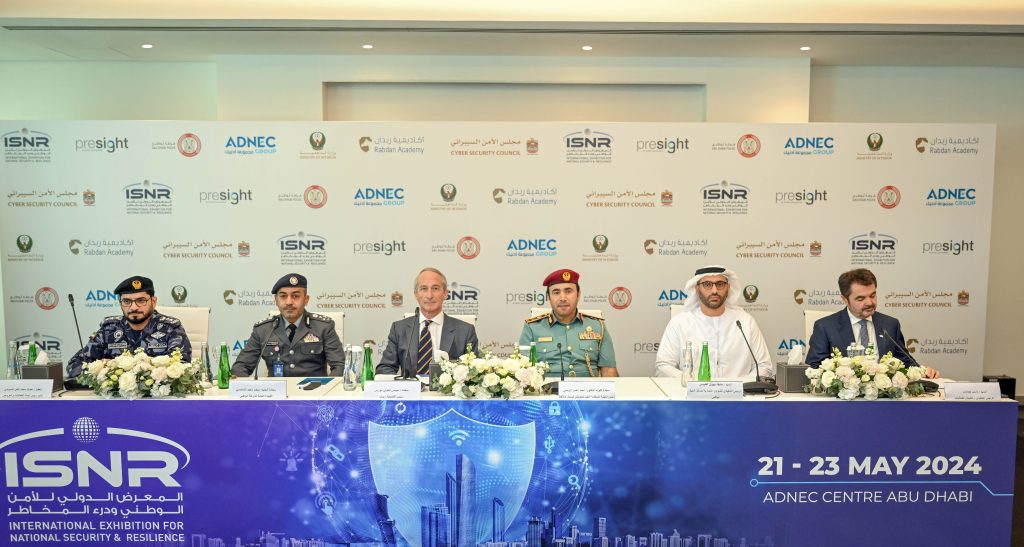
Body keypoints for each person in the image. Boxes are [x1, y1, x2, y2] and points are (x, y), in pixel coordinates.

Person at [805, 268, 939, 377]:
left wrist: (922, 371)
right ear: (845, 299)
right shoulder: (826, 327)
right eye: (860, 298)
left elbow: (905, 362)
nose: (869, 302)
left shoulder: (890, 324)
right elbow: (813, 368)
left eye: (873, 295)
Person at [654, 265, 772, 380]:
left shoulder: (745, 322)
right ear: (697, 288)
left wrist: (739, 385)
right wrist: (691, 382)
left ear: (728, 287)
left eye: (720, 284)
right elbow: (663, 366)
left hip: (739, 392)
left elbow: (764, 366)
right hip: (692, 392)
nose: (714, 291)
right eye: (707, 285)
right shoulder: (680, 323)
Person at [67, 276, 191, 378]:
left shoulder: (170, 328)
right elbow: (75, 365)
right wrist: (104, 367)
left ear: (153, 302)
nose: (133, 307)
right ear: (120, 303)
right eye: (127, 301)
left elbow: (182, 367)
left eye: (141, 300)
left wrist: (120, 368)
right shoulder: (109, 330)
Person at [232, 273, 344, 377]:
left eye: (295, 296)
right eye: (283, 296)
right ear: (276, 300)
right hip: (276, 391)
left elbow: (340, 366)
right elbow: (240, 367)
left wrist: (326, 388)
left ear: (306, 300)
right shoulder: (263, 330)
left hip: (314, 390)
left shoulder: (323, 327)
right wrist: (254, 388)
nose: (289, 302)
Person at [376, 268, 479, 376]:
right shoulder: (399, 329)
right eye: (424, 289)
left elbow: (474, 373)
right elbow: (385, 368)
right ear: (416, 294)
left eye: (435, 288)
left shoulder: (465, 331)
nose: (429, 295)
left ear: (445, 293)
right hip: (410, 387)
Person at [520, 269, 618, 377]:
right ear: (548, 297)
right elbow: (523, 371)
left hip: (587, 387)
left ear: (578, 295)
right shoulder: (532, 328)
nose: (562, 298)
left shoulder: (598, 326)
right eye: (556, 292)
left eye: (568, 291)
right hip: (548, 387)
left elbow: (609, 370)